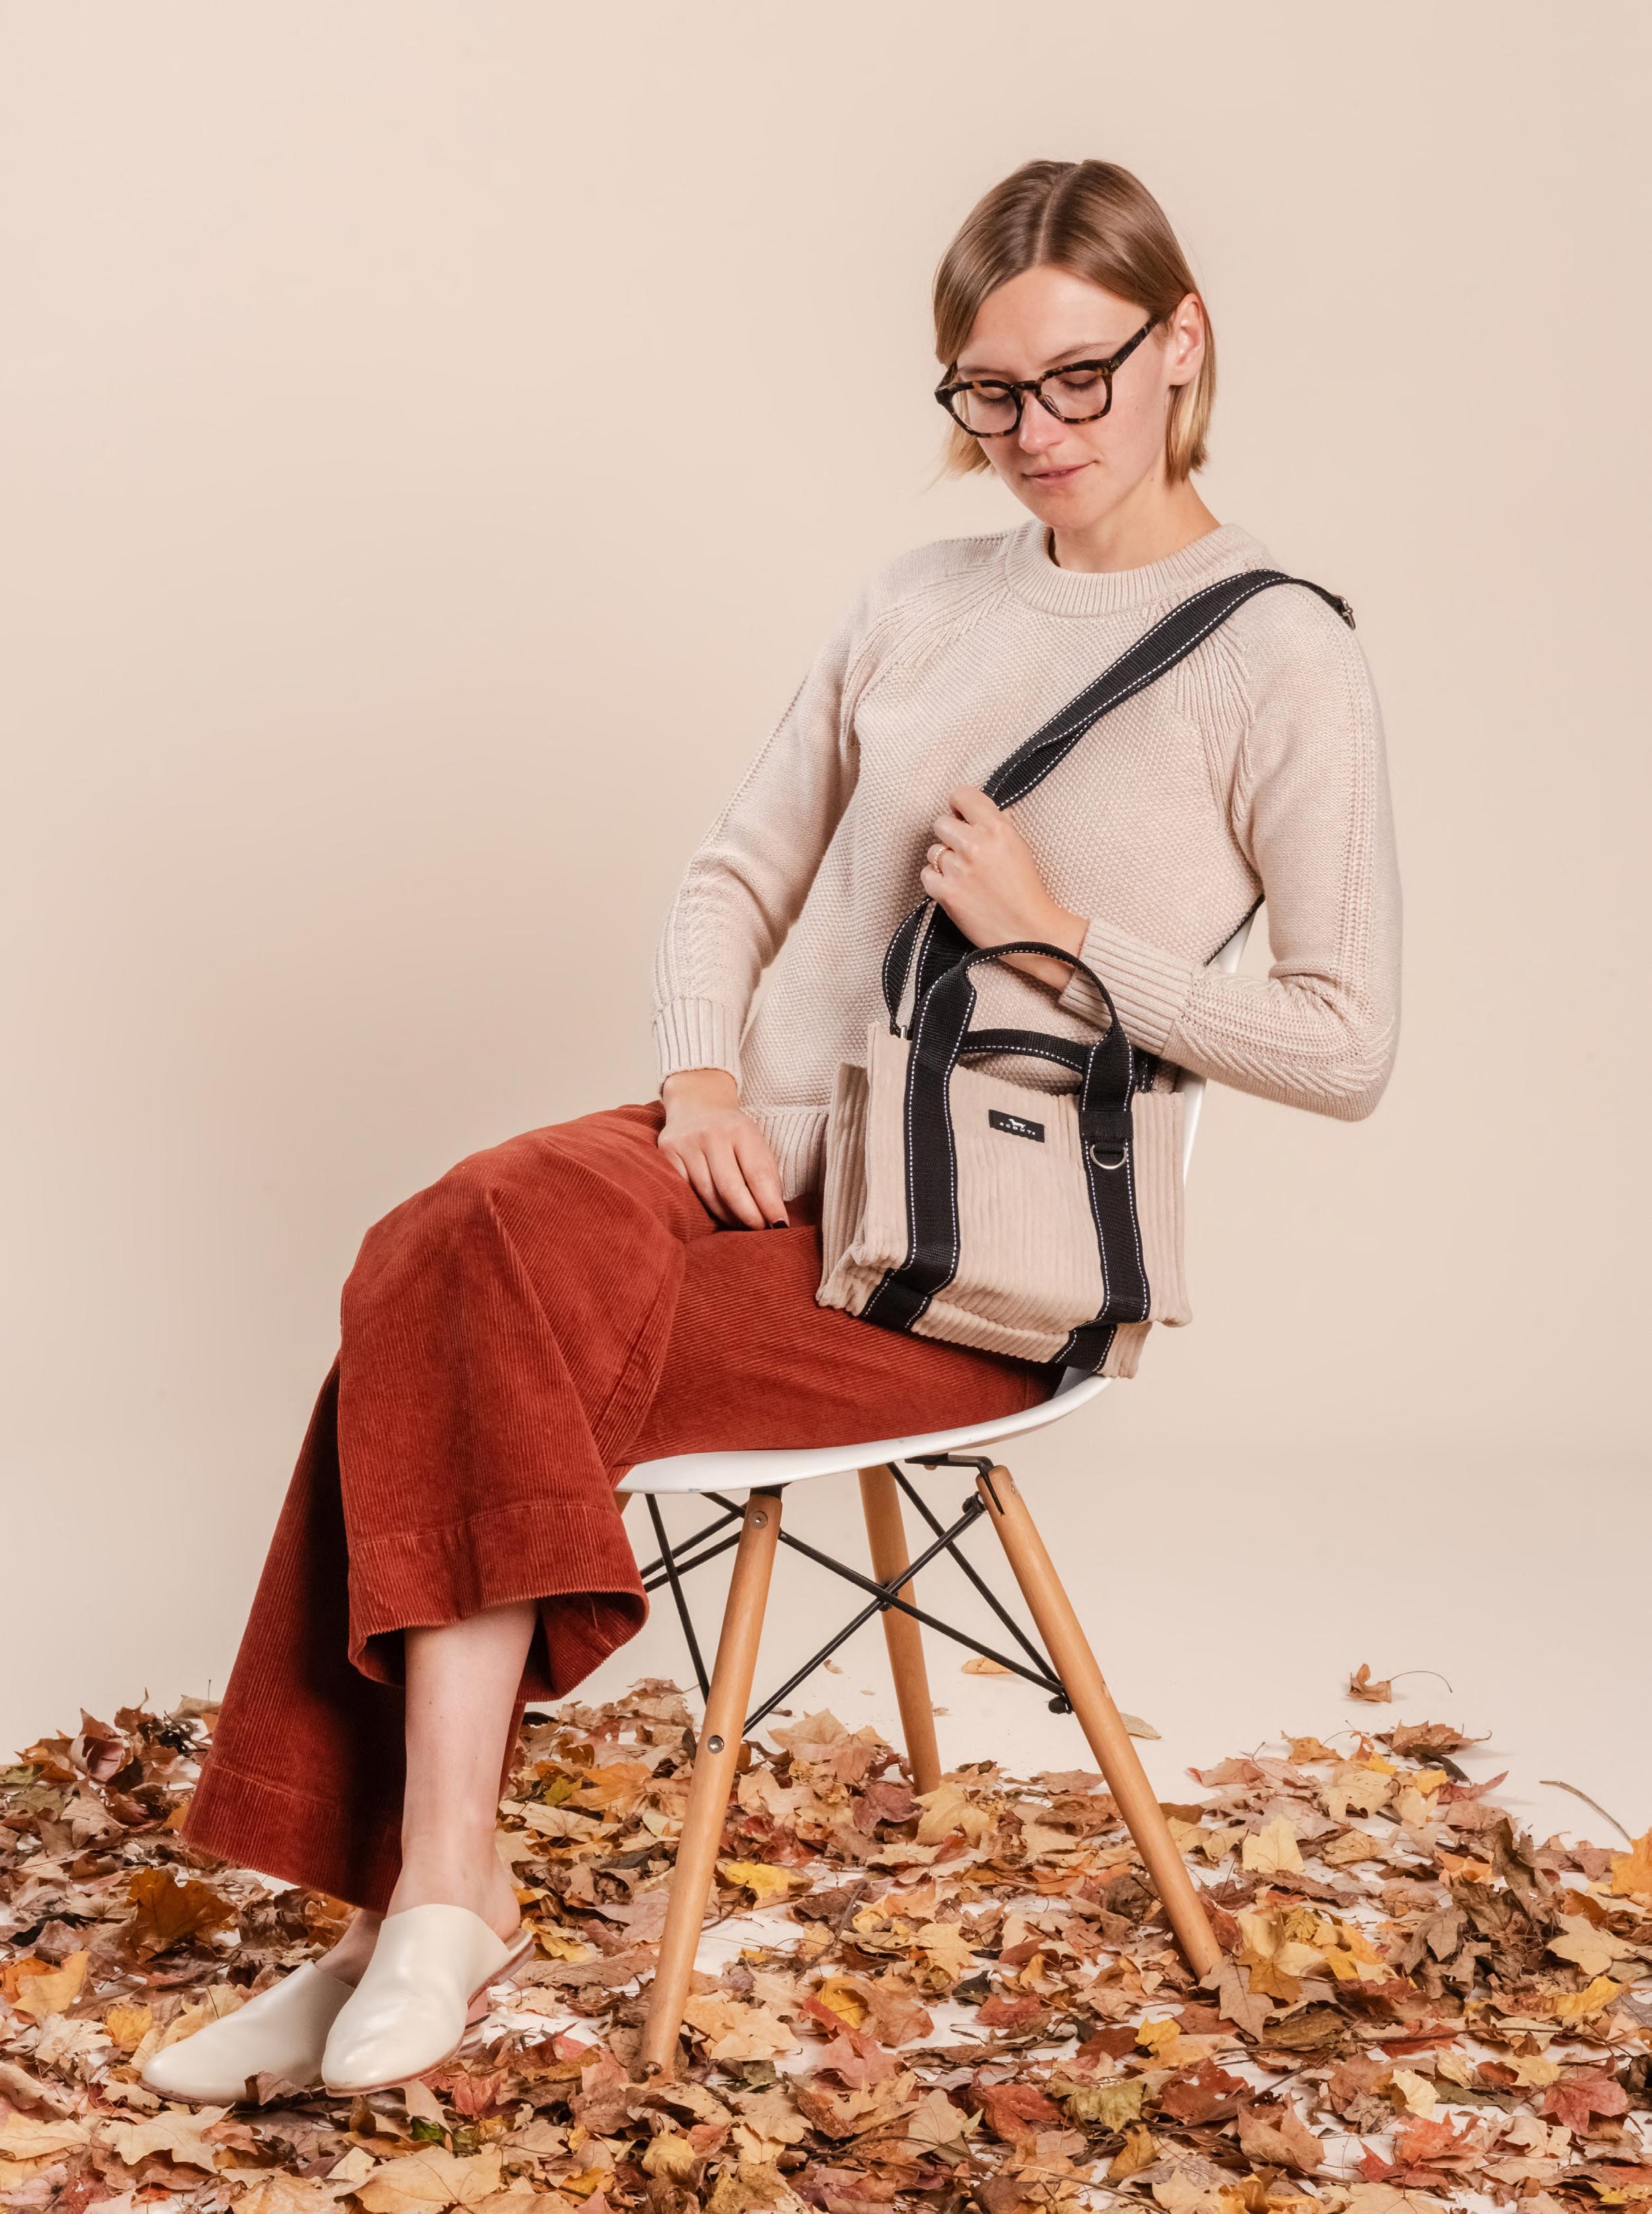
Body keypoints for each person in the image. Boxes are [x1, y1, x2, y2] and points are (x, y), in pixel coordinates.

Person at [150, 155, 1401, 2104]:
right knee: (445, 1235)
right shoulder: (916, 600)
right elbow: (733, 874)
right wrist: (705, 1079)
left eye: (1077, 378)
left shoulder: (1276, 652)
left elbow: (1344, 1044)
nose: (1036, 432)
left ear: (1182, 344)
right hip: (748, 1161)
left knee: (463, 1314)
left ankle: (411, 1901)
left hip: (962, 1256)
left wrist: (1066, 941)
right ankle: (437, 1893)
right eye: (988, 392)